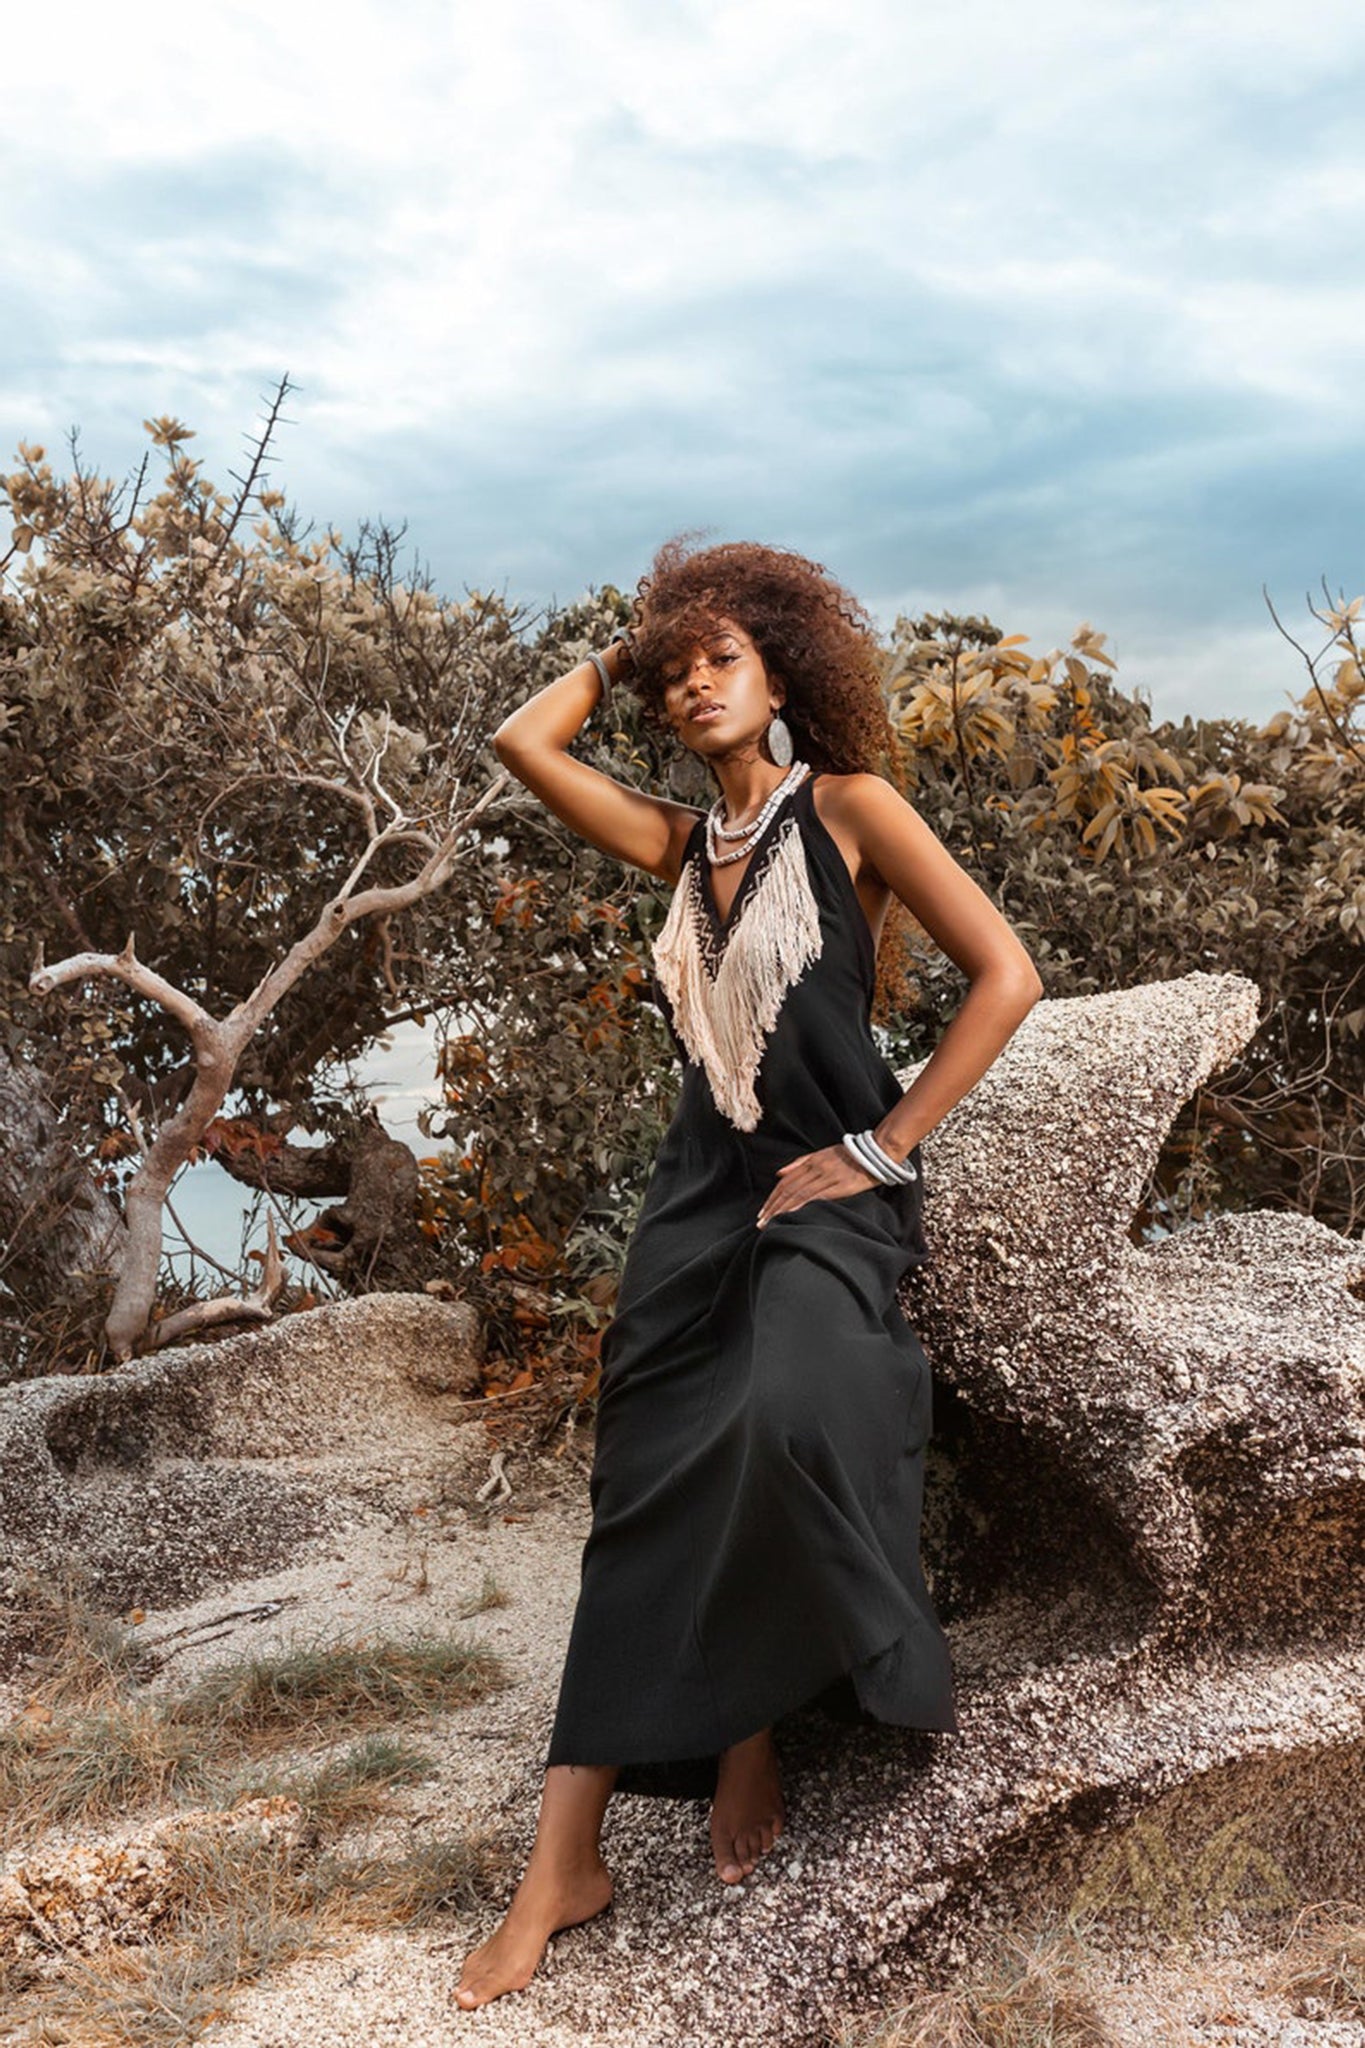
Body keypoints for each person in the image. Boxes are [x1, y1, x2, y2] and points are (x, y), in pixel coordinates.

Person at [453, 538, 1042, 2012]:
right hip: (694, 1197)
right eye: (676, 673)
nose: (697, 685)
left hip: (826, 1191)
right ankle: (562, 1863)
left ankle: (751, 1722)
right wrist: (627, 643)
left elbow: (1006, 975)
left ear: (780, 669)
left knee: (787, 1416)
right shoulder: (671, 843)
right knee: (643, 1481)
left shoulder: (850, 810)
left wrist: (886, 1147)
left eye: (724, 657)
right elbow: (523, 740)